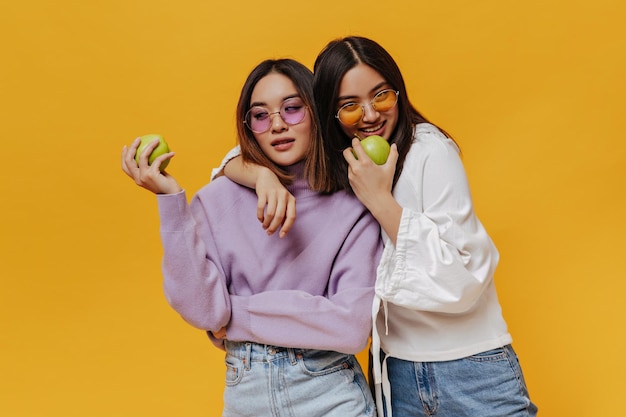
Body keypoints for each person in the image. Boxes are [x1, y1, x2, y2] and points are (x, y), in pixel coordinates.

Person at [214, 37, 538, 417]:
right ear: (329, 116)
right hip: (395, 376)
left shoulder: (429, 152)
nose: (369, 115)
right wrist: (263, 177)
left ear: (398, 92)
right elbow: (235, 157)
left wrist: (381, 201)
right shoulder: (343, 161)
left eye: (381, 96)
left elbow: (464, 279)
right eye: (349, 106)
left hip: (471, 369)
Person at [121, 58, 382, 417]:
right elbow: (203, 310)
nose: (277, 125)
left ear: (316, 112)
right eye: (261, 115)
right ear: (249, 127)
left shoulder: (353, 204)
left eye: (292, 109)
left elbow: (351, 327)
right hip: (247, 395)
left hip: (330, 393)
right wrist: (170, 200)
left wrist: (234, 313)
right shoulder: (215, 200)